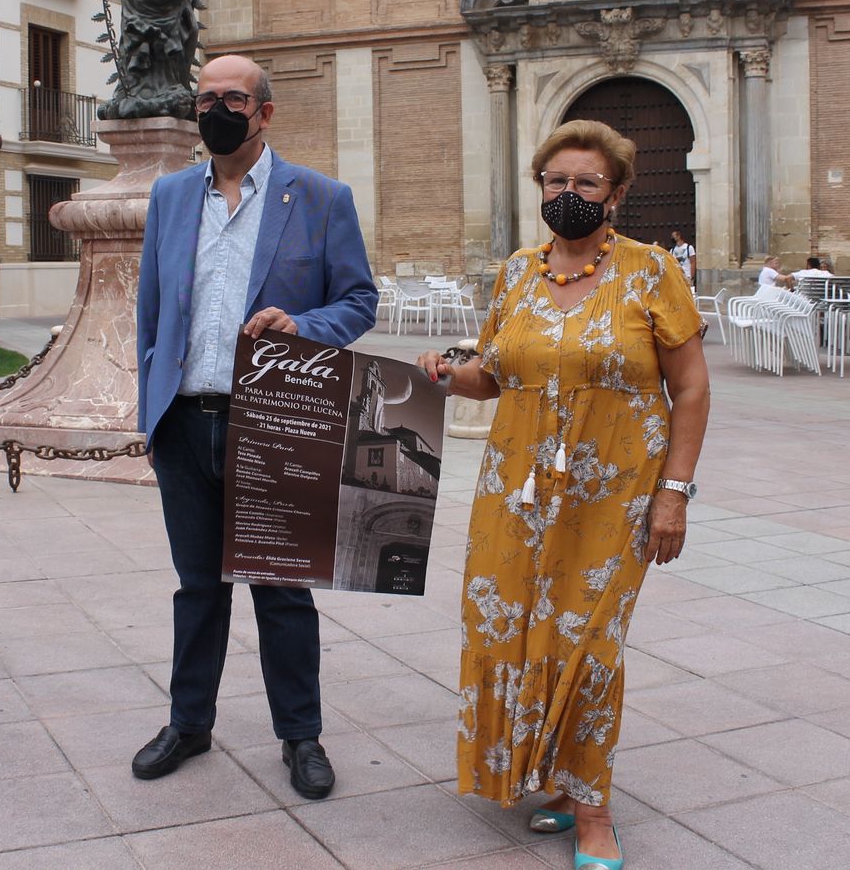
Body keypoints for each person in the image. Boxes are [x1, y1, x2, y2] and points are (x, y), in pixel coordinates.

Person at [416, 120, 710, 870]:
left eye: (586, 182)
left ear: (615, 194)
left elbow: (691, 387)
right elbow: (493, 373)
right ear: (539, 188)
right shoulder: (518, 271)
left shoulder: (650, 271)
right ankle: (553, 781)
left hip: (613, 497)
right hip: (514, 494)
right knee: (510, 631)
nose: (568, 192)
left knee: (589, 644)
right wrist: (448, 373)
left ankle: (595, 811)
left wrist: (674, 493)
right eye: (556, 180)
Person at [134, 54, 378, 799]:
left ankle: (301, 735)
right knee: (197, 588)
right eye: (205, 98)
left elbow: (359, 300)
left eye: (233, 99)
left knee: (281, 589)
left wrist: (303, 325)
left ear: (264, 112)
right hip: (186, 420)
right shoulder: (171, 194)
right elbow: (150, 308)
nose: (216, 110)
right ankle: (189, 722)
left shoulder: (322, 197)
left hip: (274, 421)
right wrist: (150, 409)